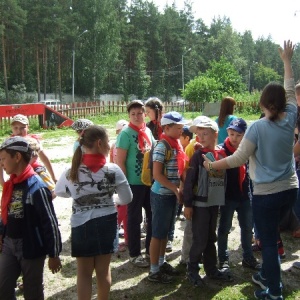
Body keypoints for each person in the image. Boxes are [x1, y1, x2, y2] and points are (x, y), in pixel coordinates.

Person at [203, 40, 297, 300]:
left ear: (263, 102)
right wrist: (287, 61)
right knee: (273, 235)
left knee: (267, 242)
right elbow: (290, 90)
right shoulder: (290, 118)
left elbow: (237, 159)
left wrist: (212, 165)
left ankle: (274, 292)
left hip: (267, 194)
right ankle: (268, 275)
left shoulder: (257, 128)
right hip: (290, 190)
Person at [55, 125, 132, 300]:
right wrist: (111, 200)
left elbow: (59, 191)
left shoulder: (70, 171)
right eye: (108, 141)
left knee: (83, 273)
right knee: (103, 272)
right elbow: (127, 198)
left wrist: (76, 194)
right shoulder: (113, 170)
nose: (109, 144)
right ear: (99, 143)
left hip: (81, 224)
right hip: (106, 221)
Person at [0, 136, 62, 300]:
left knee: (32, 290)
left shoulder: (37, 187)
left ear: (17, 157)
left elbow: (50, 221)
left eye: (4, 159)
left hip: (31, 247)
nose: (1, 163)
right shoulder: (11, 184)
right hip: (9, 244)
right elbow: (6, 213)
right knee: (3, 286)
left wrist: (54, 254)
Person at [183, 117, 232, 287]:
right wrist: (187, 204)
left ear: (215, 134)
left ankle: (211, 269)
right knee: (200, 239)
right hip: (199, 205)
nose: (201, 137)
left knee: (211, 237)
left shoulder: (221, 154)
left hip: (214, 204)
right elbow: (189, 181)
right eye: (198, 134)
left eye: (205, 133)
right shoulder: (197, 156)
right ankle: (192, 270)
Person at [148, 111, 188, 283]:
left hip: (171, 194)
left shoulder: (175, 145)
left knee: (165, 232)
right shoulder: (162, 146)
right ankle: (153, 270)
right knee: (157, 233)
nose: (181, 131)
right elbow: (157, 174)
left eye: (181, 127)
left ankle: (162, 262)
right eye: (178, 128)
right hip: (162, 195)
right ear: (166, 128)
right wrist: (175, 189)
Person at [217, 118, 260, 271]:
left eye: (238, 135)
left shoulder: (248, 150)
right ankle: (223, 259)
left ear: (245, 136)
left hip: (245, 196)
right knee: (224, 229)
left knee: (247, 228)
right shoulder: (221, 151)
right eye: (231, 134)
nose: (234, 138)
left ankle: (248, 257)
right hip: (228, 197)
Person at [116, 100, 155, 267]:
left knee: (152, 215)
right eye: (133, 114)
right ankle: (134, 253)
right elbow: (120, 161)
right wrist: (124, 184)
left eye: (140, 113)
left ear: (144, 114)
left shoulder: (147, 130)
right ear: (129, 116)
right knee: (134, 218)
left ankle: (149, 250)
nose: (137, 116)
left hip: (149, 181)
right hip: (133, 183)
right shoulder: (125, 134)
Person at [0, 114, 57, 196]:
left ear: (28, 127)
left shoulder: (32, 141)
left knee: (50, 192)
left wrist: (53, 177)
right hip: (16, 172)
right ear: (11, 128)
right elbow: (1, 160)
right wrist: (2, 180)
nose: (19, 131)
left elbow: (44, 158)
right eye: (16, 128)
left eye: (22, 127)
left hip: (34, 170)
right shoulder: (8, 144)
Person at [109, 119, 129, 252]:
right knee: (121, 210)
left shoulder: (125, 143)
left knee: (124, 211)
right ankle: (115, 238)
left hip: (125, 180)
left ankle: (124, 238)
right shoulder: (114, 145)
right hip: (119, 180)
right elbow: (111, 162)